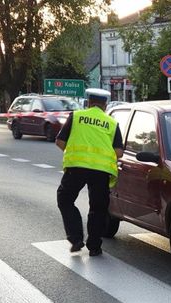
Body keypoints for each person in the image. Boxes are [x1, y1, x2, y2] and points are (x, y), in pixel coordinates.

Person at [55, 88, 124, 256]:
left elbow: (60, 141)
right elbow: (119, 152)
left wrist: (75, 152)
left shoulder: (76, 117)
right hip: (101, 171)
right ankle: (94, 246)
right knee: (99, 207)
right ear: (105, 105)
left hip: (76, 167)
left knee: (65, 199)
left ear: (88, 103)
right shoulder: (112, 123)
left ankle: (76, 237)